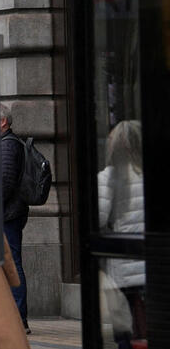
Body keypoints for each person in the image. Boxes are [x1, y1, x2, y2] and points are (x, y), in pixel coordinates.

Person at [97, 120, 145, 347]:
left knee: (124, 331)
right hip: (148, 265)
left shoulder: (108, 178)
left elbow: (98, 219)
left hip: (122, 269)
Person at [0, 105, 31, 326]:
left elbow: (5, 182)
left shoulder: (8, 146)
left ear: (2, 122)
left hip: (8, 215)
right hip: (9, 213)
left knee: (13, 264)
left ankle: (19, 318)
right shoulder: (6, 144)